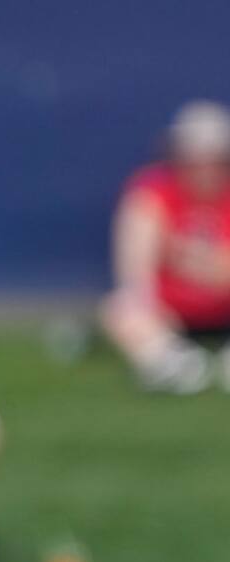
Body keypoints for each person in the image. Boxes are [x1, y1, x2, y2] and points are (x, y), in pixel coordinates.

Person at [101, 100, 230, 393]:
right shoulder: (151, 191)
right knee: (120, 309)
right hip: (169, 312)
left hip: (225, 309)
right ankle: (170, 363)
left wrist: (180, 254)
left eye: (213, 159)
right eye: (194, 159)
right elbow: (134, 270)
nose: (204, 169)